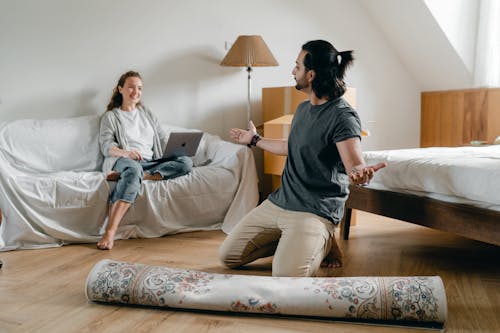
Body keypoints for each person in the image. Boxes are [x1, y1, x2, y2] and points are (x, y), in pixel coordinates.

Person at [219, 40, 386, 277]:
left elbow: (354, 165)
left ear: (311, 75)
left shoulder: (342, 117)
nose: (292, 71)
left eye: (296, 66)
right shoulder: (303, 109)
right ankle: (298, 242)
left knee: (286, 275)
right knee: (228, 256)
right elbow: (293, 146)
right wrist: (255, 140)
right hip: (281, 201)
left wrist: (360, 174)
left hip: (314, 210)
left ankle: (325, 239)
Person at [97, 71, 193, 250]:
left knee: (186, 162)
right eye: (131, 87)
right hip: (125, 161)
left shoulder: (146, 113)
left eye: (139, 88)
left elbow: (162, 139)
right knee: (133, 169)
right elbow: (106, 147)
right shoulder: (111, 116)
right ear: (120, 89)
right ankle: (110, 231)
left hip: (151, 161)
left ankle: (142, 176)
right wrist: (127, 153)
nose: (136, 91)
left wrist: (175, 149)